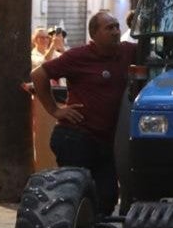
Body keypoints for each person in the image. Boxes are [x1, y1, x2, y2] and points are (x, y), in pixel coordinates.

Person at [30, 11, 136, 214]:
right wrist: (55, 109)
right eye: (109, 28)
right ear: (94, 34)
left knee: (107, 197)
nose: (115, 31)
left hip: (106, 142)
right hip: (77, 138)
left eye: (116, 26)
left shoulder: (127, 52)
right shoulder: (78, 56)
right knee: (74, 194)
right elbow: (38, 75)